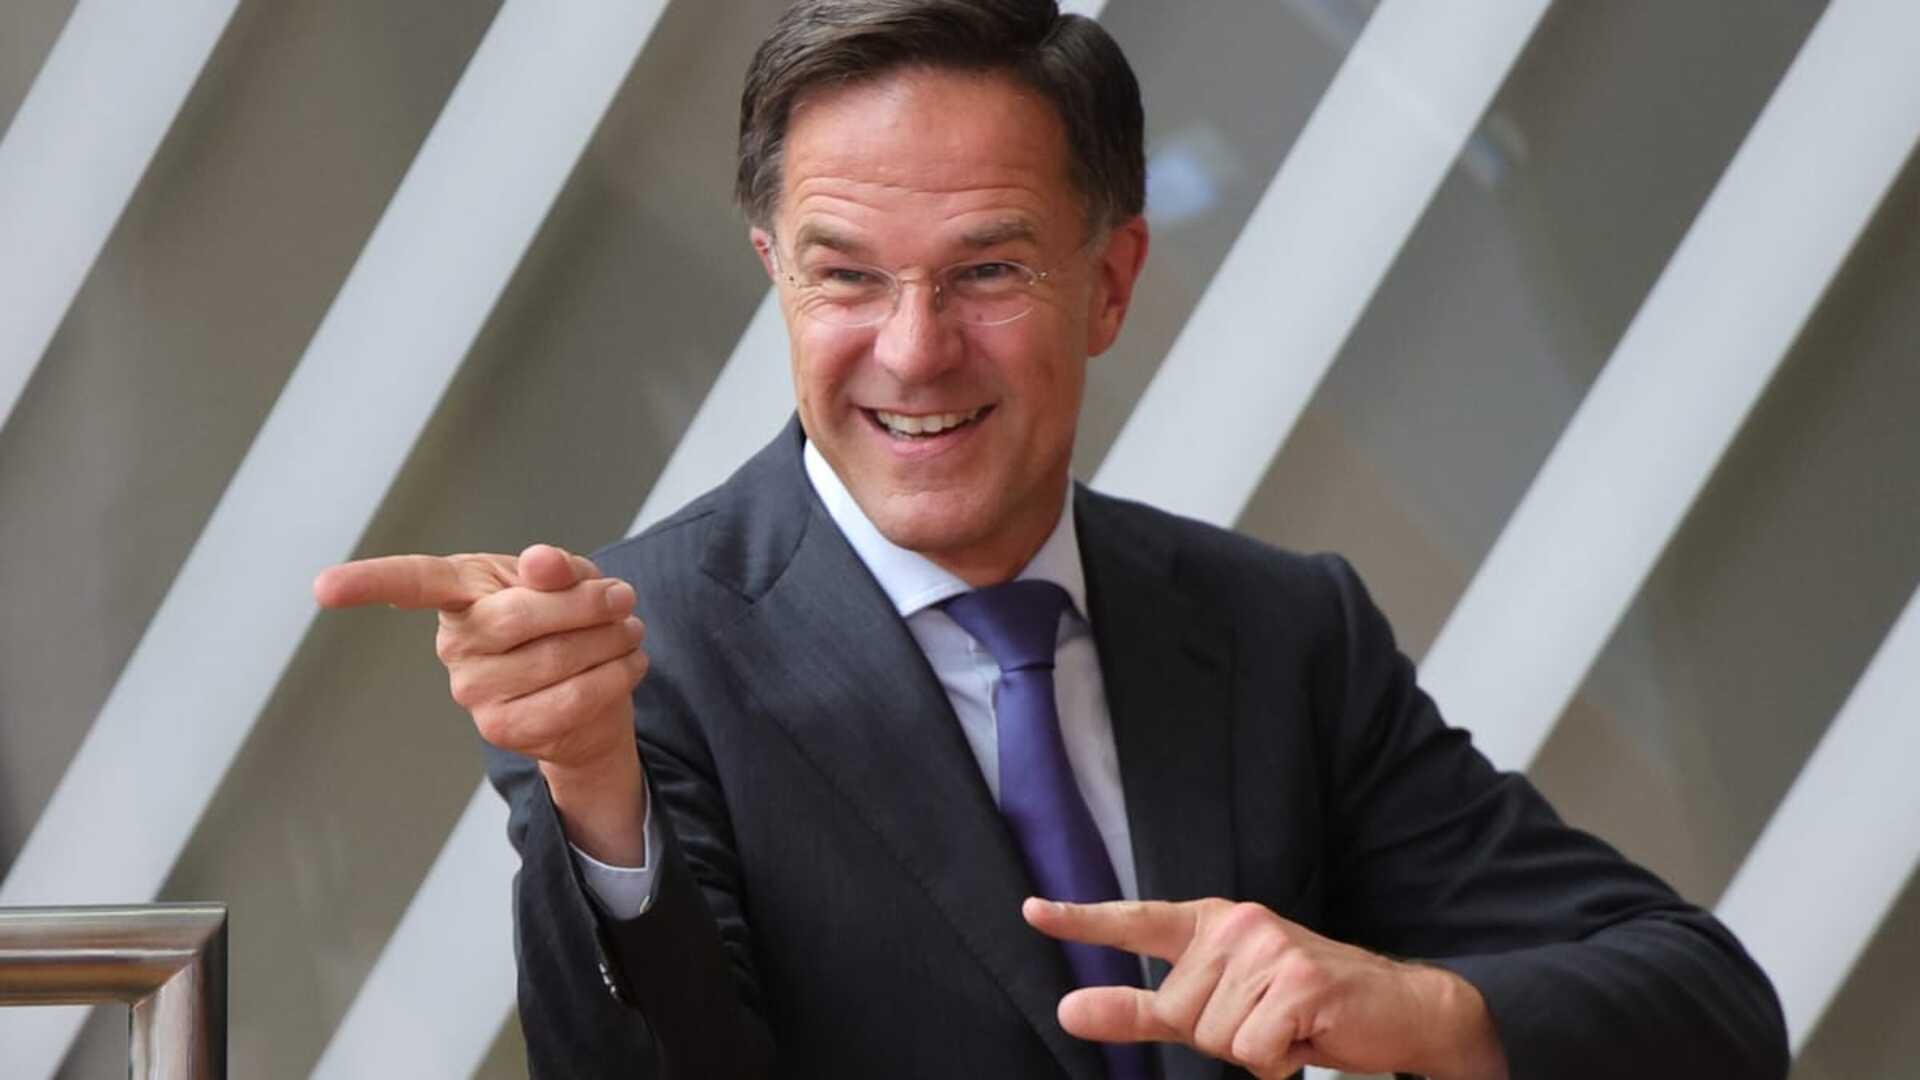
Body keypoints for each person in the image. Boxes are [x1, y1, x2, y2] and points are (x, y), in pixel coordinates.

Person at [314, 2, 1788, 1077]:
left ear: (1112, 282)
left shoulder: (1277, 632)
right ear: (775, 275)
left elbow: (1708, 1009)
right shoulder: (635, 659)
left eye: (988, 271)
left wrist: (1419, 1008)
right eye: (847, 277)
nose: (913, 349)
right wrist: (593, 790)